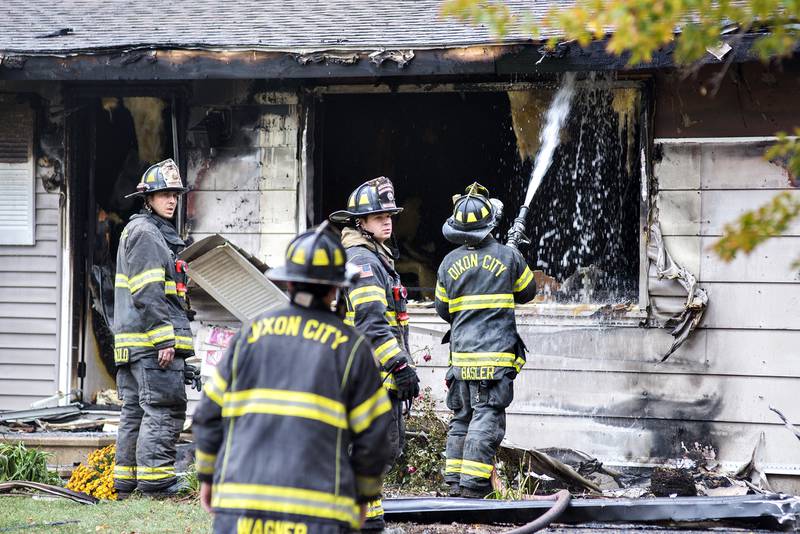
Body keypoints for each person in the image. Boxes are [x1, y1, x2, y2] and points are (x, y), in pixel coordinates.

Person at [193, 223, 393, 534]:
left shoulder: (250, 335)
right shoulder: (352, 348)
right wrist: (363, 495)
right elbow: (375, 437)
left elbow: (208, 414)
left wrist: (207, 476)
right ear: (335, 289)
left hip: (241, 510)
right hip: (319, 515)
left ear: (289, 284)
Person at [434, 183, 537, 499]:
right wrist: (515, 256)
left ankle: (453, 482)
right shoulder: (508, 257)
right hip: (494, 363)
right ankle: (473, 488)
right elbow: (527, 293)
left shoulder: (448, 263)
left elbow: (442, 310)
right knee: (486, 420)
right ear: (490, 224)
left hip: (460, 361)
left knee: (462, 419)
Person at [329, 177, 419, 530]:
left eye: (389, 215)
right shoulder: (363, 261)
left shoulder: (375, 258)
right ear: (359, 222)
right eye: (377, 215)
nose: (387, 220)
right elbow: (371, 323)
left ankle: (366, 515)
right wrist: (399, 364)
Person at [112, 158, 194, 497]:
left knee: (134, 413)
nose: (171, 200)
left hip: (134, 346)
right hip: (150, 345)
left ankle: (127, 482)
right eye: (163, 194)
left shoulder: (146, 233)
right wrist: (164, 339)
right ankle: (157, 483)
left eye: (174, 194)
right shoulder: (147, 234)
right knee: (163, 408)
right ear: (148, 199)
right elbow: (147, 291)